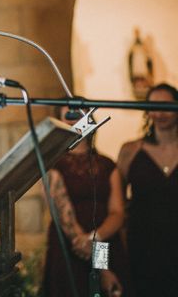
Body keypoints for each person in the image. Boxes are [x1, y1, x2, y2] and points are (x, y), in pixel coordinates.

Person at [43, 105, 130, 297]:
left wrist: (95, 238)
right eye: (69, 117)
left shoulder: (108, 165)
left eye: (79, 115)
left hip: (104, 238)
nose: (75, 122)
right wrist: (102, 269)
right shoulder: (53, 164)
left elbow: (117, 213)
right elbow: (66, 219)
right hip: (70, 244)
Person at [117, 82, 178, 297]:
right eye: (153, 106)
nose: (160, 113)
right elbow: (116, 205)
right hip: (143, 243)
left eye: (166, 106)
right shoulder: (130, 151)